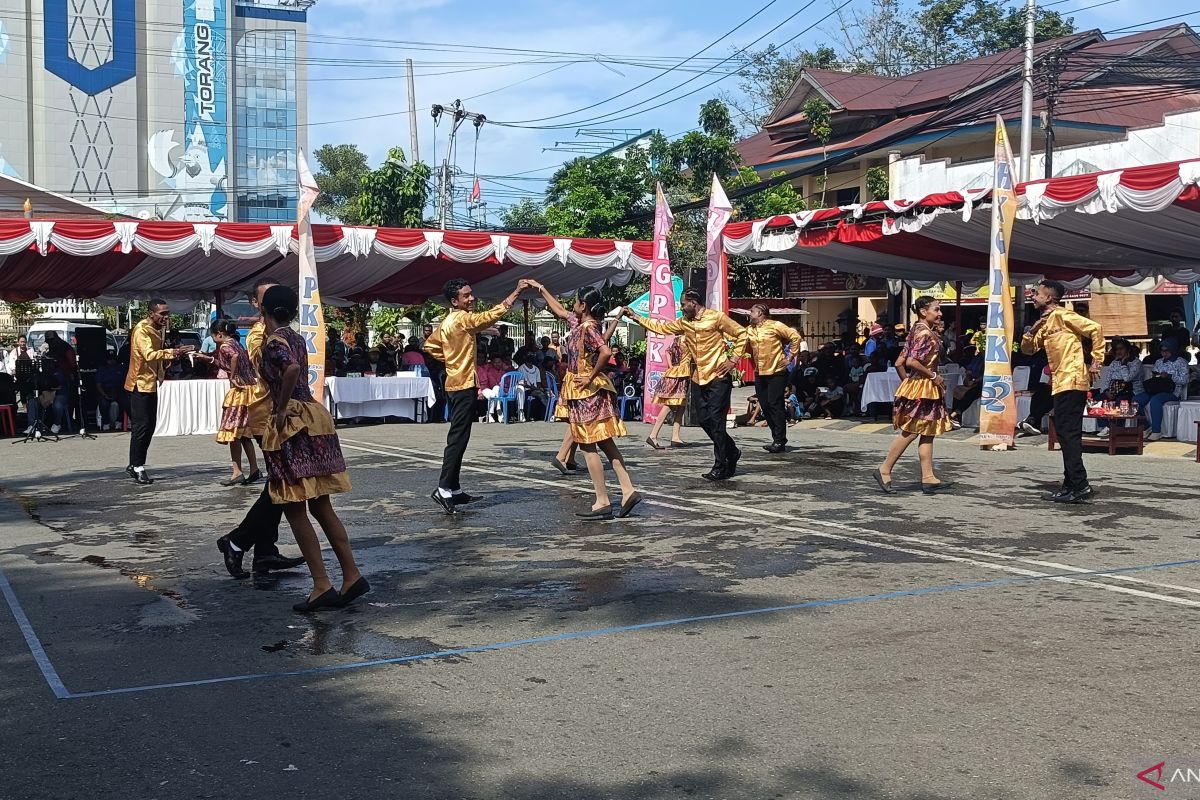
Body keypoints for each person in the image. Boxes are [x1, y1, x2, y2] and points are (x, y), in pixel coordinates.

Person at [253, 286, 367, 612]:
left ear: (267, 309)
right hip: (314, 417)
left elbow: (289, 370)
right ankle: (351, 574)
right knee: (321, 505)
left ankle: (321, 583)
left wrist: (279, 408)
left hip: (292, 422)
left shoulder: (275, 342)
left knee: (294, 507)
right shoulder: (298, 337)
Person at [216, 278, 305, 579]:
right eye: (267, 298)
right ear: (257, 305)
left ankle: (263, 551)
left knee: (279, 485)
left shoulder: (280, 334)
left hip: (283, 416)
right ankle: (239, 541)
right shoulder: (258, 336)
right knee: (281, 485)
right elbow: (264, 367)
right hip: (267, 414)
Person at [533, 281, 641, 519]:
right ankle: (627, 490)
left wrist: (589, 376)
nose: (573, 305)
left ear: (583, 305)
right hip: (588, 388)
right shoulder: (581, 324)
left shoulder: (588, 328)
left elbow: (604, 352)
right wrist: (541, 288)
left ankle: (602, 500)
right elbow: (560, 311)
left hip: (586, 390)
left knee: (588, 444)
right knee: (605, 442)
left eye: (576, 301)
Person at [424, 278, 530, 513]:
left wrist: (450, 362)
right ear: (455, 301)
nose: (471, 298)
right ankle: (443, 488)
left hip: (457, 382)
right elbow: (488, 317)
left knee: (460, 436)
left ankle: (453, 487)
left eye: (470, 294)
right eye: (466, 296)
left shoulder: (447, 321)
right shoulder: (461, 319)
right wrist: (516, 292)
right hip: (462, 385)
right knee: (458, 438)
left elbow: (430, 346)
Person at [624, 290, 748, 481]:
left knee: (717, 420)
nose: (681, 308)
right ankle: (731, 451)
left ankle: (721, 465)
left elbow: (742, 334)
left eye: (683, 304)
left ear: (694, 302)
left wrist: (732, 359)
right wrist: (637, 317)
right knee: (705, 420)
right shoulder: (684, 322)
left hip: (718, 376)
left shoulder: (716, 318)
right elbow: (661, 327)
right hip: (698, 377)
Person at [1020, 279, 1104, 503]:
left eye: (1037, 293)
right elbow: (1027, 350)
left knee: (1069, 435)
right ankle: (1071, 484)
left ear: (1048, 298)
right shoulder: (1045, 322)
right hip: (1060, 382)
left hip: (1072, 379)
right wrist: (1032, 330)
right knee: (1066, 435)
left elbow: (1095, 329)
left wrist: (1096, 361)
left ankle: (1080, 485)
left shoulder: (1063, 315)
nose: (1033, 296)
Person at [873, 296, 953, 495]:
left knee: (927, 431)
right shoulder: (924, 333)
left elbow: (900, 362)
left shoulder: (915, 330)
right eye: (936, 309)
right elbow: (911, 361)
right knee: (912, 430)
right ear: (924, 312)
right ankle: (885, 468)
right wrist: (933, 376)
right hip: (925, 386)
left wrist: (908, 383)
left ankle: (928, 477)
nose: (940, 313)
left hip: (921, 386)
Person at [123, 300, 193, 485]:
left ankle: (136, 463)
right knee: (141, 426)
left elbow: (158, 354)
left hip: (151, 382)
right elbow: (149, 354)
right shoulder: (141, 330)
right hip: (139, 383)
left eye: (167, 313)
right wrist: (172, 352)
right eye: (162, 314)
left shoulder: (160, 328)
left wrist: (167, 364)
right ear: (151, 313)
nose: (166, 317)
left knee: (150, 425)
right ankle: (136, 466)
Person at [207, 319, 263, 486]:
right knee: (244, 435)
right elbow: (234, 358)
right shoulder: (236, 343)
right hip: (249, 389)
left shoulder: (224, 346)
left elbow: (234, 357)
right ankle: (253, 469)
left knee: (233, 434)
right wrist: (206, 358)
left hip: (238, 393)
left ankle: (237, 471)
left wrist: (232, 376)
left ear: (218, 334)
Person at [746, 303, 801, 453]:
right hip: (760, 371)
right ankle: (776, 437)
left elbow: (795, 336)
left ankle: (779, 439)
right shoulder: (750, 330)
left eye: (752, 311)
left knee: (774, 403)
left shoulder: (775, 325)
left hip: (776, 370)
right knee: (765, 404)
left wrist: (790, 357)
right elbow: (741, 343)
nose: (750, 314)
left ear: (760, 313)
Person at [644, 334, 689, 450]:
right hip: (681, 373)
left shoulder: (677, 339)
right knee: (670, 404)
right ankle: (653, 435)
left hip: (677, 372)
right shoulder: (688, 338)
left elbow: (667, 351)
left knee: (681, 405)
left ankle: (675, 437)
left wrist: (670, 366)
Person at [1143, 339, 1190, 441]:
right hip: (1156, 388)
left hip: (1172, 392)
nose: (1164, 353)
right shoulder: (1159, 361)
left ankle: (1156, 431)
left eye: (1167, 351)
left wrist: (1169, 376)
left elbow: (1185, 380)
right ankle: (1146, 427)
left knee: (1155, 400)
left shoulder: (1181, 362)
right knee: (1137, 399)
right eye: (1162, 351)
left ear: (1173, 350)